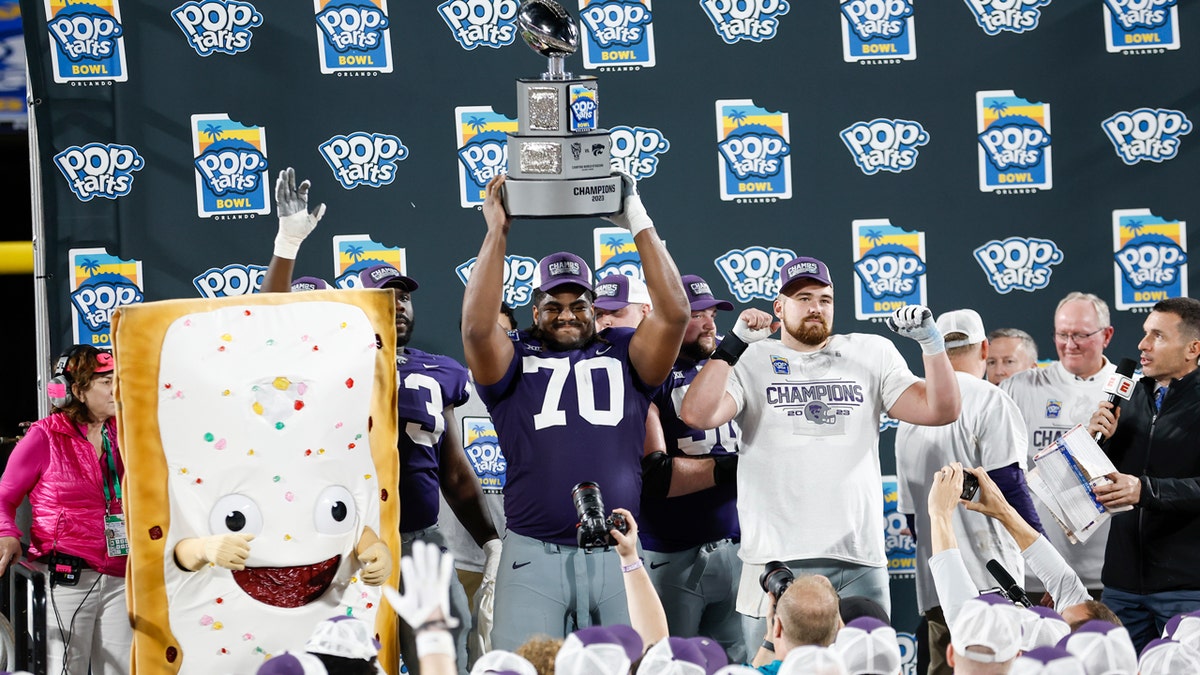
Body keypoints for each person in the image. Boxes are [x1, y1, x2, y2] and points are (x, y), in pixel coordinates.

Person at [260, 168, 501, 674]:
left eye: (404, 296)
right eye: (382, 298)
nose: (397, 306)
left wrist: (490, 540)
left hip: (420, 542)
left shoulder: (438, 371)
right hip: (342, 544)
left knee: (443, 659)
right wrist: (286, 244)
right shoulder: (324, 362)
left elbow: (454, 471)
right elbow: (268, 323)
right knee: (346, 664)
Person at [461, 173, 689, 649]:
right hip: (531, 553)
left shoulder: (624, 350)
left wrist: (636, 219)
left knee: (635, 664)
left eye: (578, 304)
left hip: (618, 549)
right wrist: (496, 231)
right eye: (552, 305)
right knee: (521, 665)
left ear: (595, 306)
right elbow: (478, 330)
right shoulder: (514, 354)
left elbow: (674, 315)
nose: (566, 314)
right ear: (534, 310)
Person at [679, 256, 960, 627]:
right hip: (773, 559)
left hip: (858, 556)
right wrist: (733, 346)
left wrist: (931, 343)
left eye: (824, 300)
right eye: (803, 298)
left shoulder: (870, 352)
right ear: (779, 307)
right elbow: (697, 416)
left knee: (869, 668)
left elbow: (942, 409)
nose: (815, 307)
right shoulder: (752, 358)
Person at [895, 309, 1041, 675]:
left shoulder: (911, 413)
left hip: (936, 590)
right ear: (984, 350)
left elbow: (914, 519)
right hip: (994, 589)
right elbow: (1011, 494)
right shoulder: (992, 400)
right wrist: (1046, 567)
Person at [0, 346, 131, 675]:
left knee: (124, 669)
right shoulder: (43, 436)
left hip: (123, 574)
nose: (117, 388)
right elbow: (4, 496)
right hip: (66, 579)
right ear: (77, 390)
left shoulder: (129, 435)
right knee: (63, 670)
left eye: (119, 379)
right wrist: (6, 534)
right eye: (106, 381)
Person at [640, 273, 745, 662]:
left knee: (739, 664)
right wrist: (732, 469)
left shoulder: (736, 362)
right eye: (695, 314)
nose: (709, 322)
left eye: (711, 312)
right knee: (671, 665)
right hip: (672, 553)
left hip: (737, 546)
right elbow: (656, 477)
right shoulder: (648, 372)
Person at [1087, 296, 1200, 652]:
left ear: (1193, 348)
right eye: (1144, 333)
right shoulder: (1127, 396)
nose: (1142, 345)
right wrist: (1098, 444)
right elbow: (1105, 479)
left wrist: (1145, 491)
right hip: (1121, 587)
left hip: (1186, 588)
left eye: (1158, 336)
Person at [1000, 292, 1118, 597]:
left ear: (1107, 335)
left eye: (1080, 334)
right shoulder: (1021, 386)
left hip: (1108, 571)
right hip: (1034, 568)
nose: (1070, 344)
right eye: (1062, 334)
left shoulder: (1131, 391)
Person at [751, 574, 843, 671]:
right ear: (837, 627)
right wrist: (833, 604)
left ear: (777, 626)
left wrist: (770, 639)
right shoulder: (851, 668)